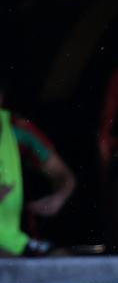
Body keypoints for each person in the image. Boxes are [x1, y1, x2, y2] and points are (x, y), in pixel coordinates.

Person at [0, 75, 75, 257]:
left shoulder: (17, 129)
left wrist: (58, 198)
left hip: (13, 243)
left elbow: (63, 175)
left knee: (63, 259)